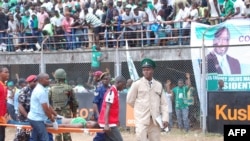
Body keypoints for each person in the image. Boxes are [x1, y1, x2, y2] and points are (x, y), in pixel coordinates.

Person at [127, 58, 168, 141]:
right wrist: (140, 109)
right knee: (141, 138)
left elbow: (164, 104)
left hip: (155, 120)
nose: (146, 71)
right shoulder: (137, 84)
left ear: (152, 70)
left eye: (148, 69)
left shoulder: (158, 85)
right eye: (144, 70)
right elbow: (130, 100)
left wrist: (165, 118)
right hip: (141, 119)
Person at [49, 68, 79, 141]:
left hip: (55, 112)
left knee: (57, 131)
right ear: (64, 77)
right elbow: (74, 102)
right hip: (67, 112)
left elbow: (47, 102)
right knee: (66, 131)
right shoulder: (69, 88)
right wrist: (74, 113)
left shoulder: (52, 89)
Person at [27, 73, 57, 141]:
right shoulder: (40, 91)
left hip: (34, 118)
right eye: (47, 79)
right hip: (37, 119)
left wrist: (56, 114)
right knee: (45, 138)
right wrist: (53, 121)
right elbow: (46, 109)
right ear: (41, 80)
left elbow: (48, 106)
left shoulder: (41, 89)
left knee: (36, 137)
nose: (49, 80)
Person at [98, 75, 127, 141]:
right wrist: (106, 124)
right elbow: (107, 108)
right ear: (118, 82)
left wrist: (116, 120)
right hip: (109, 124)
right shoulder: (112, 91)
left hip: (110, 122)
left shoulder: (114, 91)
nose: (123, 87)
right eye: (123, 85)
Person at [15, 75, 38, 141]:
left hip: (33, 117)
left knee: (30, 135)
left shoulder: (37, 90)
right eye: (34, 82)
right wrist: (28, 117)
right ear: (30, 82)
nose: (36, 83)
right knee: (21, 135)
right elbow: (20, 106)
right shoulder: (24, 90)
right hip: (23, 117)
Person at [92, 72, 110, 141]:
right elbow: (95, 103)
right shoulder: (99, 90)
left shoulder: (111, 89)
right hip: (101, 115)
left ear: (109, 80)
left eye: (106, 79)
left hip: (108, 116)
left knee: (108, 134)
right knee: (101, 134)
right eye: (103, 79)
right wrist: (98, 115)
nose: (105, 80)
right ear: (101, 80)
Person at [0, 66, 9, 141]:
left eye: (8, 72)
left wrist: (6, 112)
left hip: (3, 116)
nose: (8, 74)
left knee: (2, 136)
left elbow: (5, 101)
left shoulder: (5, 86)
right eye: (5, 72)